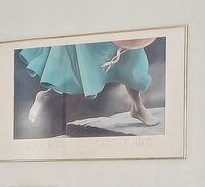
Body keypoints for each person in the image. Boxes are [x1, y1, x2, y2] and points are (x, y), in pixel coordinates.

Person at [18, 37, 157, 127]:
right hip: (94, 36)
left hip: (122, 32)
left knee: (134, 71)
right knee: (80, 78)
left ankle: (138, 107)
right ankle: (46, 95)